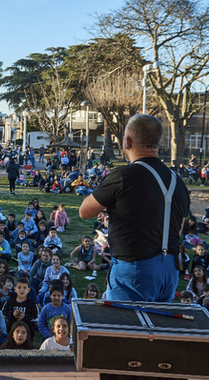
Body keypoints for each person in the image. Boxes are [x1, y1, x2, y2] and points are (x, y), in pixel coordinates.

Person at [79, 114, 189, 303]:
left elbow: (85, 211)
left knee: (128, 328)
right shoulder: (177, 181)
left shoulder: (123, 175)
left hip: (134, 269)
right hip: (169, 268)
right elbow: (179, 227)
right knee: (156, 327)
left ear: (127, 141)